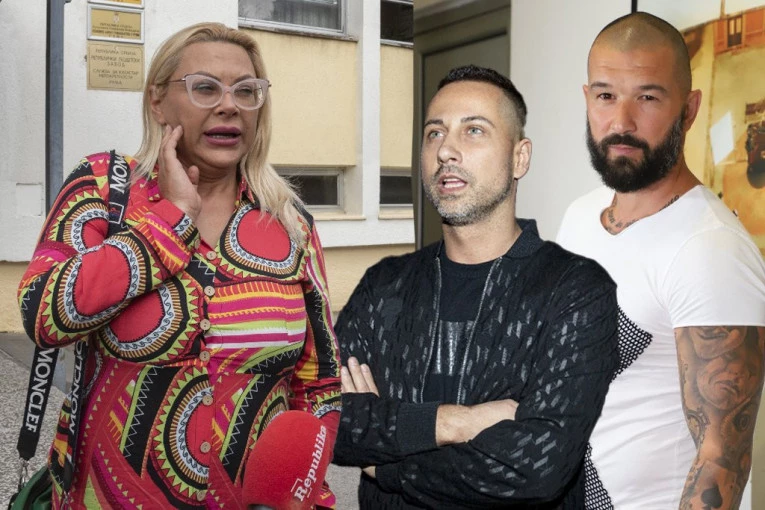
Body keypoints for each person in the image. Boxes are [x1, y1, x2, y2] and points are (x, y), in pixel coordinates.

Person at [17, 22, 341, 509]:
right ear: (157, 101)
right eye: (205, 88)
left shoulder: (289, 222)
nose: (229, 105)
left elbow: (319, 381)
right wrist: (168, 223)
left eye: (246, 91)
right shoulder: (105, 189)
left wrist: (304, 491)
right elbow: (43, 314)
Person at [333, 64, 619, 509]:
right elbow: (325, 420)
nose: (446, 150)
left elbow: (534, 470)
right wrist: (456, 423)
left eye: (474, 131)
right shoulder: (383, 286)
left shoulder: (575, 291)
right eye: (434, 133)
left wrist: (385, 463)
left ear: (520, 158)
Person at [556, 12, 765, 510]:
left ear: (689, 110)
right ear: (587, 98)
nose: (621, 122)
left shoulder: (711, 249)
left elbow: (721, 460)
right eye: (606, 96)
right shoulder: (579, 216)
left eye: (647, 98)